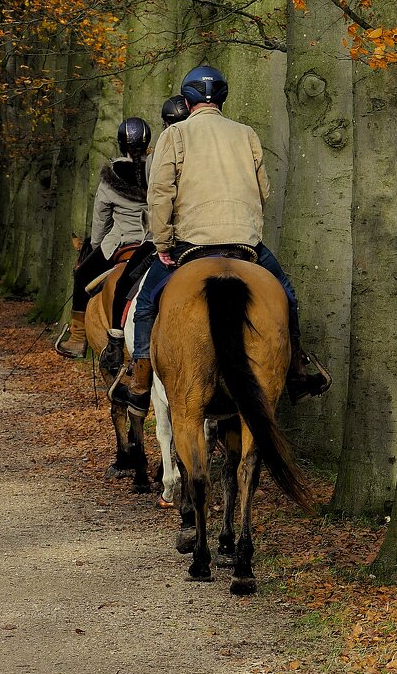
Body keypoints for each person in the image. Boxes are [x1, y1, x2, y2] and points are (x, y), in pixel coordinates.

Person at [109, 66, 331, 413]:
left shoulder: (175, 135)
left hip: (190, 244)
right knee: (286, 295)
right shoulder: (246, 133)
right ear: (223, 99)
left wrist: (165, 245)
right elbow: (264, 191)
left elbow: (160, 194)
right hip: (245, 245)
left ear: (186, 99)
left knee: (148, 301)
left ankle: (139, 379)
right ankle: (297, 370)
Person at [99, 95, 191, 373]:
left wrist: (161, 241)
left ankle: (119, 344)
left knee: (130, 288)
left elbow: (159, 201)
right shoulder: (222, 145)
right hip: (222, 236)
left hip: (165, 238)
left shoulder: (161, 155)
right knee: (281, 287)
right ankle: (295, 354)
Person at [55, 117, 152, 358]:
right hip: (151, 242)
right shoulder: (159, 169)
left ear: (121, 144)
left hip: (119, 243)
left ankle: (78, 338)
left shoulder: (111, 176)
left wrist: (96, 246)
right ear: (148, 143)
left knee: (82, 276)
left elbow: (101, 220)